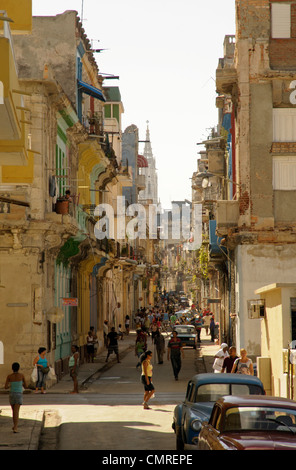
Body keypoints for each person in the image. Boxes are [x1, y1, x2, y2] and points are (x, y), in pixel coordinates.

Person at [5, 362, 27, 433]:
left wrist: (10, 385)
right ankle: (15, 427)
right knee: (16, 411)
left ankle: (14, 426)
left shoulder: (9, 376)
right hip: (19, 394)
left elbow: (6, 387)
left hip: (11, 394)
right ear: (19, 368)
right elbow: (26, 386)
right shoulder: (21, 375)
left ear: (12, 368)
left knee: (13, 411)